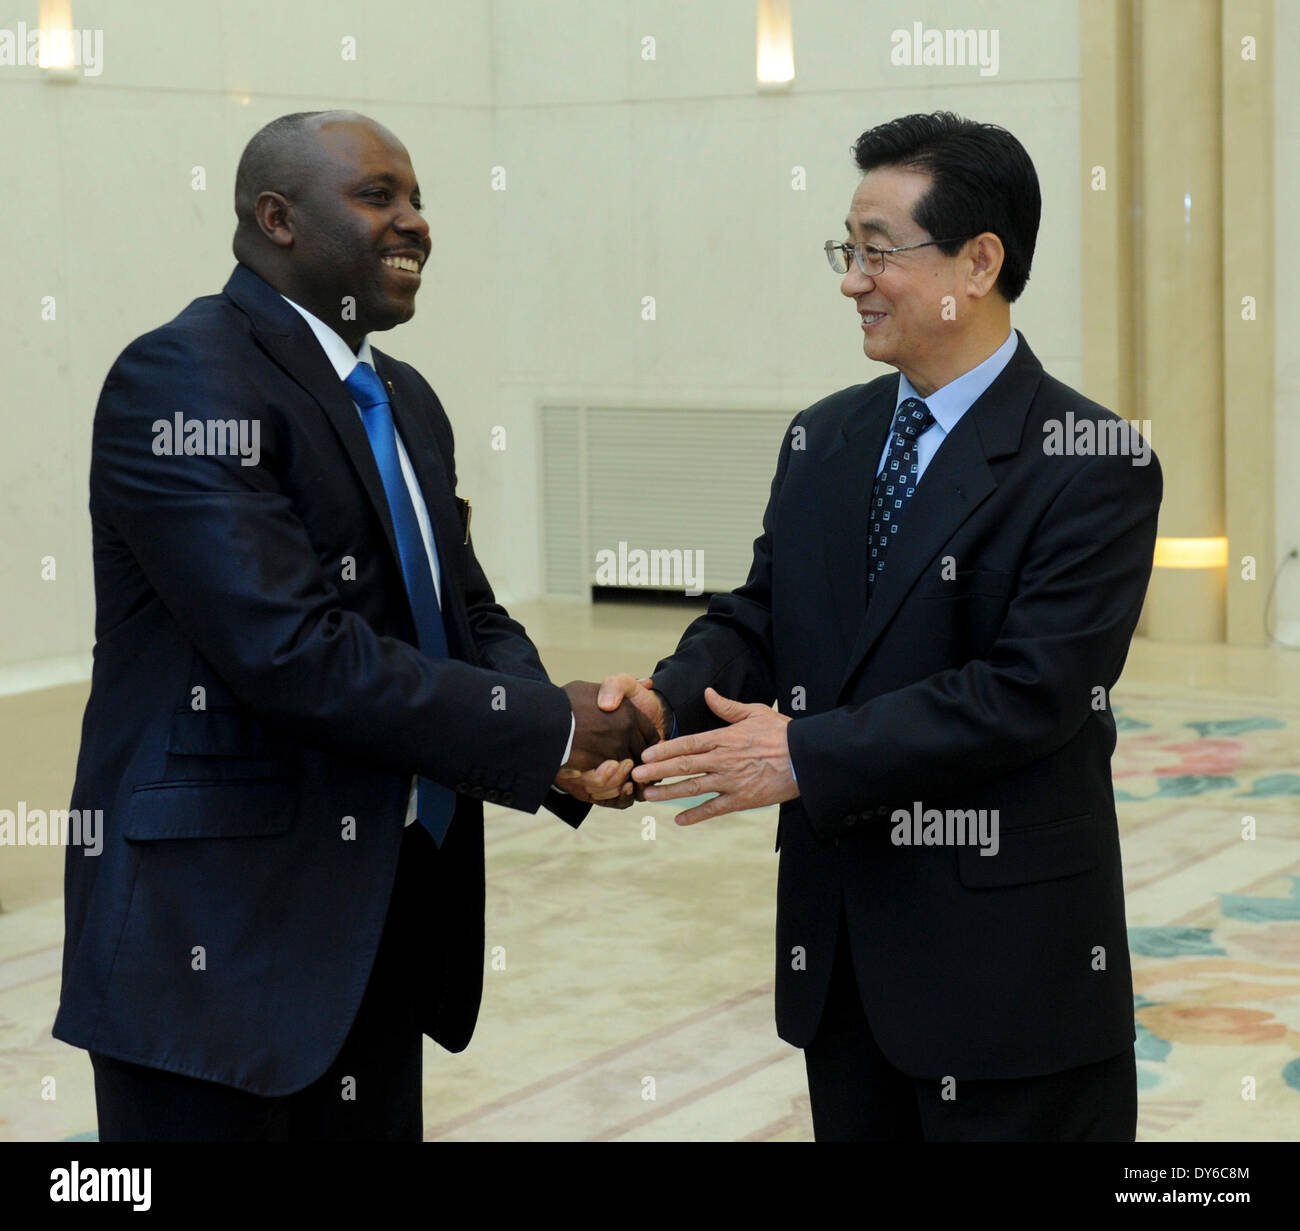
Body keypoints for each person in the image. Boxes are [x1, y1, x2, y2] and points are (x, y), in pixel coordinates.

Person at [53, 110, 652, 1142]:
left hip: (382, 924)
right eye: (379, 197)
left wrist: (557, 729)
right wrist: (546, 729)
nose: (415, 223)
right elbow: (290, 653)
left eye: (418, 200)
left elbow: (461, 612)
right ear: (276, 218)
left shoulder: (402, 397)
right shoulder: (185, 380)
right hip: (218, 953)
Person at [592, 112, 1162, 1141]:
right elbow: (761, 615)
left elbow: (1027, 694)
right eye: (843, 252)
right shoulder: (828, 435)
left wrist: (804, 751)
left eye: (876, 253)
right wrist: (658, 706)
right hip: (843, 956)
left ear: (978, 262)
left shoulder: (1089, 459)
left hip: (1007, 976)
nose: (851, 279)